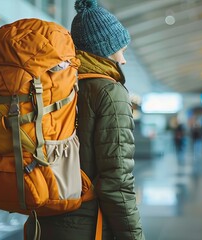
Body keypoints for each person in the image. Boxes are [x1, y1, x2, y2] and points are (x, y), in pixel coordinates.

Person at [26, 0, 145, 239]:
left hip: (40, 221)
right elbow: (117, 182)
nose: (123, 60)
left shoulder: (56, 86)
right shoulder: (110, 92)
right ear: (105, 49)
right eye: (120, 50)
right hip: (86, 226)